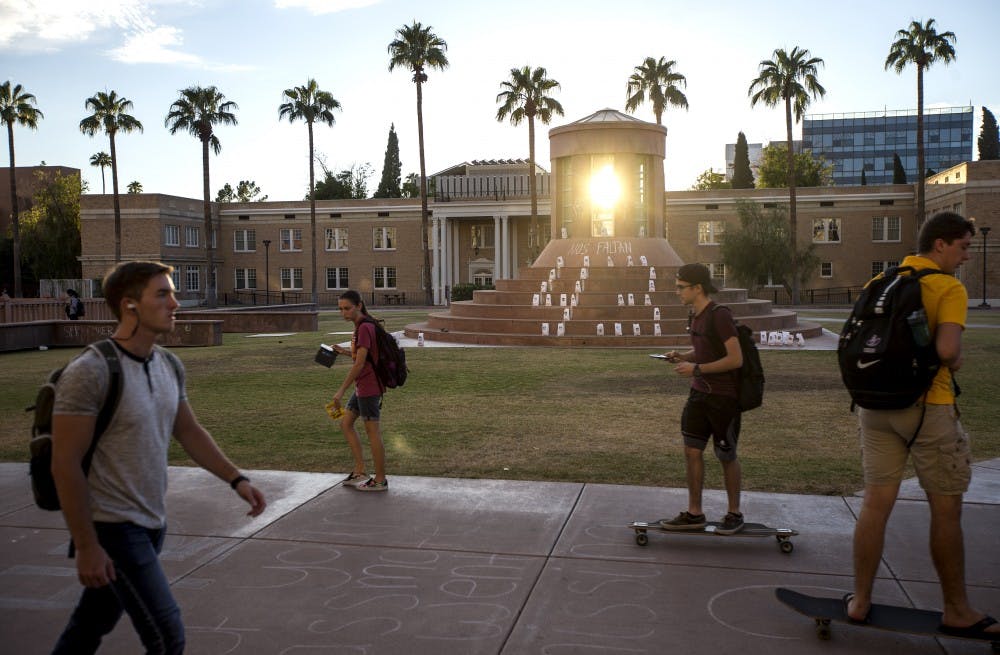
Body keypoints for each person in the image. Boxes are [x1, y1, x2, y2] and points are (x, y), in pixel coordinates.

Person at [50, 261, 267, 654]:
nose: (175, 303)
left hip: (152, 522)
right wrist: (86, 546)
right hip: (113, 527)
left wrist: (237, 480)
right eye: (163, 294)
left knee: (89, 627)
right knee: (167, 635)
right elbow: (64, 462)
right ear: (130, 305)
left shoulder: (167, 364)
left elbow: (188, 431)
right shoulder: (91, 371)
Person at [847, 212, 998, 638]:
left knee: (875, 504)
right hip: (929, 408)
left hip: (875, 408)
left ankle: (859, 600)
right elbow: (948, 350)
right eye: (963, 246)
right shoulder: (947, 287)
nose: (966, 256)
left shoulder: (878, 284)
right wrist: (956, 355)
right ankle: (956, 609)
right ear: (940, 245)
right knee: (946, 510)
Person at [659, 263, 746, 534]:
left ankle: (734, 513)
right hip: (699, 395)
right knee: (692, 451)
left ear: (698, 288)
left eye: (681, 287)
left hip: (724, 398)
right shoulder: (695, 315)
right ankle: (694, 513)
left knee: (726, 455)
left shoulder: (719, 315)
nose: (677, 292)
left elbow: (735, 358)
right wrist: (685, 357)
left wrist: (696, 369)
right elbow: (706, 350)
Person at [330, 290, 388, 491]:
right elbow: (363, 357)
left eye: (347, 308)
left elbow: (360, 364)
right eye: (340, 309)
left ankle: (380, 480)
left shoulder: (364, 328)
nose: (343, 313)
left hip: (369, 388)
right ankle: (361, 470)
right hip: (362, 387)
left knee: (373, 433)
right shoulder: (362, 326)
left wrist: (340, 391)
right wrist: (345, 352)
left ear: (359, 305)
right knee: (346, 424)